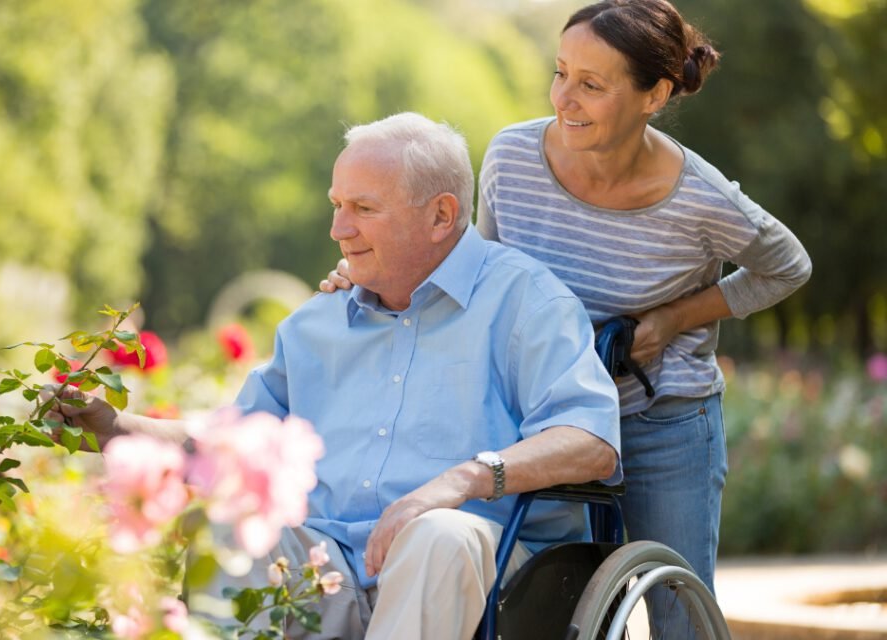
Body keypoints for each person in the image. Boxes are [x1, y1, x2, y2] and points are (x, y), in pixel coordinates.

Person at [320, 0, 811, 634]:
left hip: (658, 412)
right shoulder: (513, 158)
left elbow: (787, 266)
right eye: (560, 73)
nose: (564, 98)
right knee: (542, 599)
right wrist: (371, 270)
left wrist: (675, 318)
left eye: (591, 85)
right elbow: (477, 273)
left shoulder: (700, 198)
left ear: (654, 94)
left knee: (676, 614)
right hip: (540, 412)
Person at [53, 112, 621, 639]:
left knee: (438, 533)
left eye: (363, 208)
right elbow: (232, 443)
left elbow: (591, 442)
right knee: (225, 525)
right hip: (332, 569)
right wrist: (116, 427)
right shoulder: (316, 324)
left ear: (441, 216)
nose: (338, 229)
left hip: (490, 579)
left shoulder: (526, 302)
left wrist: (462, 481)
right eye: (337, 205)